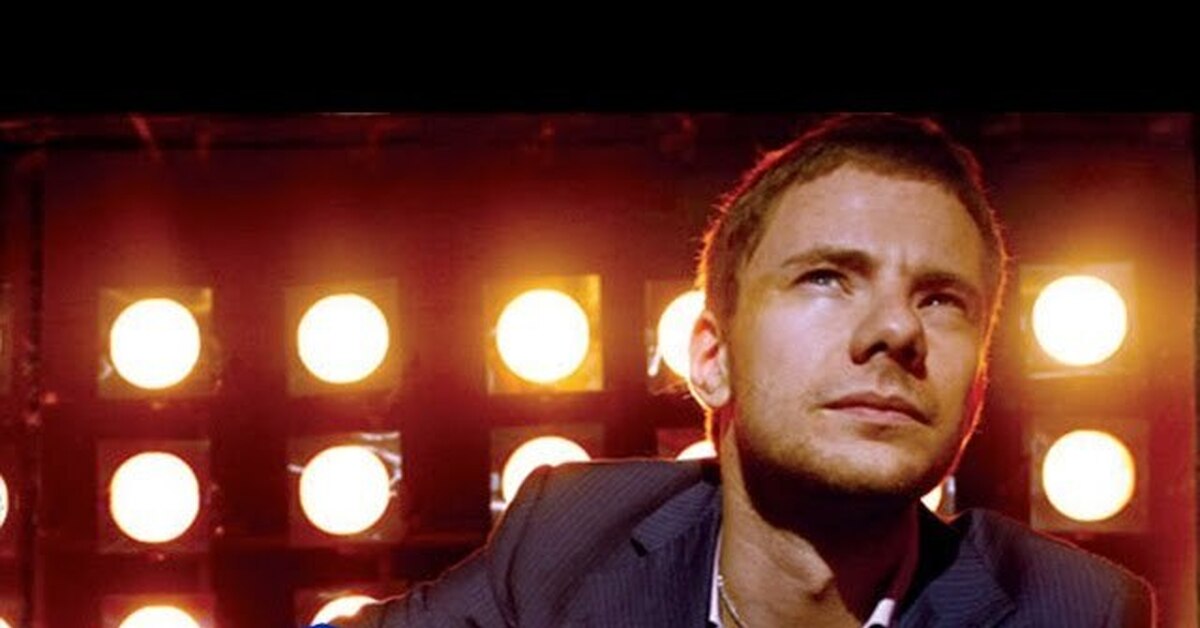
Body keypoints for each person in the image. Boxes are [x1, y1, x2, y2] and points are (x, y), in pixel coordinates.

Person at [334, 114, 1155, 627]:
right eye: (827, 278)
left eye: (942, 299)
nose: (899, 329)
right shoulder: (572, 536)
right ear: (711, 357)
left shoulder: (1072, 609)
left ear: (977, 388)